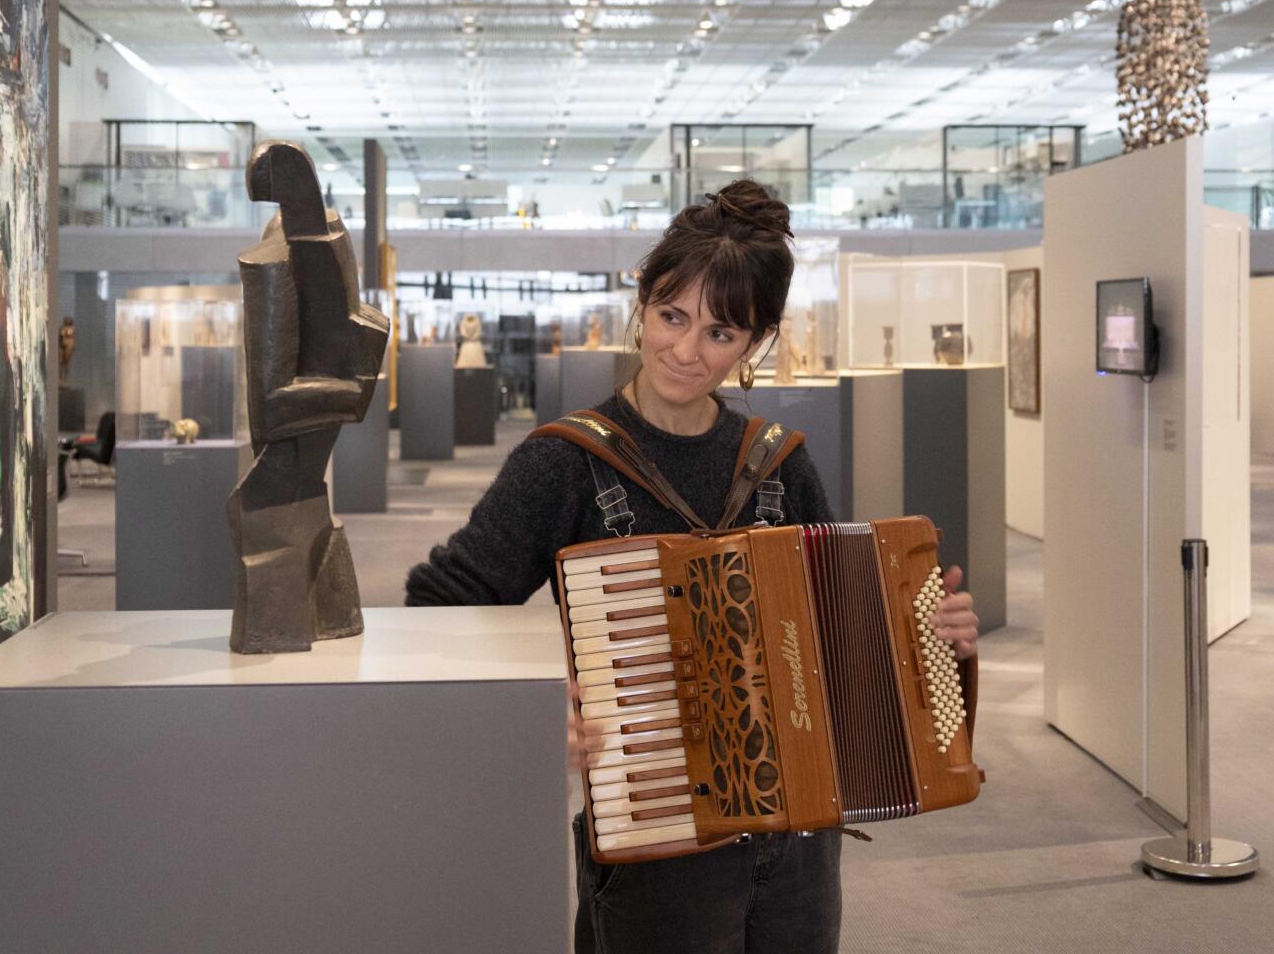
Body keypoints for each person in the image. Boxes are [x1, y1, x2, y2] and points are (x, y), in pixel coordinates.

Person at [405, 179, 980, 954]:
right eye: (671, 316)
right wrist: (534, 703)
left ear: (755, 342)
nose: (685, 350)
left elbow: (840, 636)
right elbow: (439, 610)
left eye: (720, 333)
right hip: (655, 841)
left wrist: (928, 639)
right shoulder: (565, 463)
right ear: (640, 302)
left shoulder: (780, 465)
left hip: (801, 844)